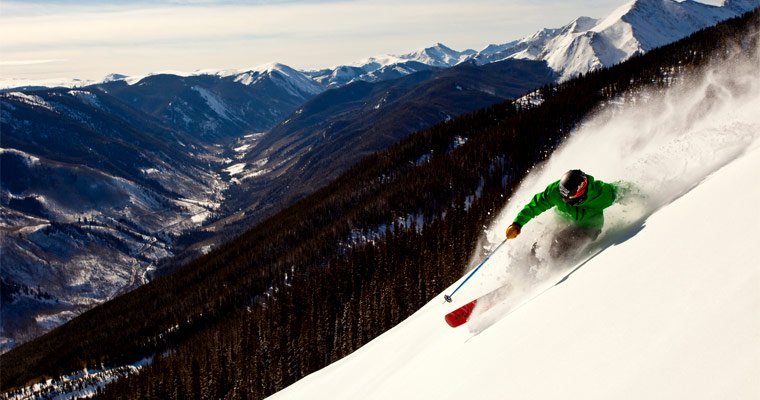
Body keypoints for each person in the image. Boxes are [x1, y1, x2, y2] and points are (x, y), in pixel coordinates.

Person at [505, 169, 618, 260]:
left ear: (579, 196)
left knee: (558, 248)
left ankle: (551, 271)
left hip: (588, 227)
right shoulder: (555, 191)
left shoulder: (601, 194)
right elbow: (536, 205)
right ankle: (527, 269)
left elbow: (620, 190)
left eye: (567, 199)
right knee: (540, 246)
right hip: (563, 221)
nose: (563, 200)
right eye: (562, 196)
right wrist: (517, 223)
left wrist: (634, 193)